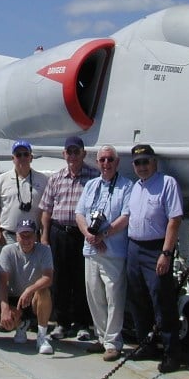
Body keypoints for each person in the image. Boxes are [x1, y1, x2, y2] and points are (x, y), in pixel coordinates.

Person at [126, 144, 184, 373]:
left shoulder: (167, 183)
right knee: (138, 298)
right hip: (134, 247)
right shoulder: (135, 187)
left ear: (154, 163)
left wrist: (166, 253)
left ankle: (172, 353)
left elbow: (174, 220)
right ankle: (146, 344)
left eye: (146, 162)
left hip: (155, 249)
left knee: (162, 300)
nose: (142, 167)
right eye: (138, 163)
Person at [74, 144, 131, 362]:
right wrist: (89, 235)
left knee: (114, 297)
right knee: (94, 295)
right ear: (97, 163)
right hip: (90, 250)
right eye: (102, 160)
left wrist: (103, 235)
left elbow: (125, 216)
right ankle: (101, 336)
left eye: (110, 160)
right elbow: (79, 213)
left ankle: (113, 342)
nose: (106, 163)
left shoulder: (126, 186)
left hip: (113, 251)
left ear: (117, 163)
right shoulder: (91, 185)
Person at [40, 135, 99, 341]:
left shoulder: (94, 177)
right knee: (60, 280)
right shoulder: (56, 178)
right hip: (59, 233)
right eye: (69, 152)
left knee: (82, 279)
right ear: (64, 154)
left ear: (83, 153)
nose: (73, 156)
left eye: (76, 152)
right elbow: (46, 210)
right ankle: (62, 323)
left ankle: (83, 324)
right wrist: (45, 236)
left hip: (82, 235)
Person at [0, 218, 55, 355]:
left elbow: (48, 278)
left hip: (34, 297)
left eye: (30, 236)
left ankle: (41, 336)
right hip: (15, 299)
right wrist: (4, 309)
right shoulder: (7, 251)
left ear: (36, 236)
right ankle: (21, 324)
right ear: (16, 236)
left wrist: (30, 289)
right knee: (6, 321)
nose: (27, 240)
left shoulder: (45, 250)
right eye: (23, 236)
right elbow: (2, 282)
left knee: (44, 291)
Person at [0, 140, 49, 248]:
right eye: (18, 155)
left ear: (31, 157)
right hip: (7, 237)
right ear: (13, 158)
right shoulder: (2, 179)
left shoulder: (43, 179)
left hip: (33, 237)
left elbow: (47, 210)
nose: (22, 158)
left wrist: (44, 235)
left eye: (26, 154)